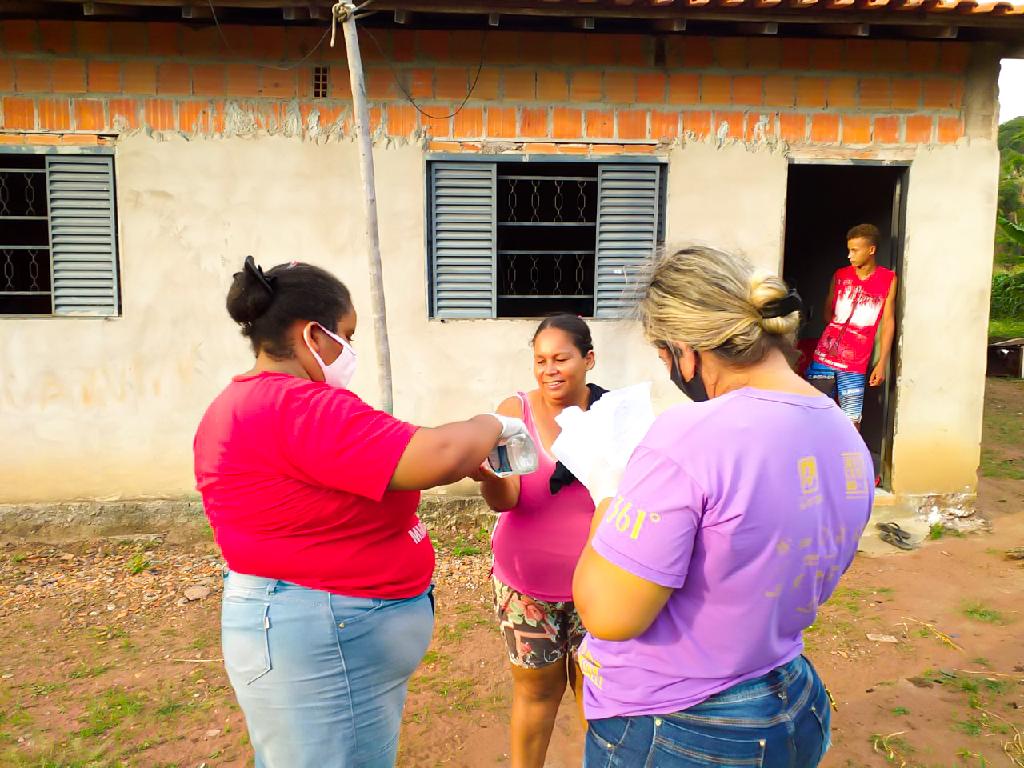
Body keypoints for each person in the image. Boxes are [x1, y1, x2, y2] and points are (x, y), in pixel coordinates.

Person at [193, 257, 529, 768]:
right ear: (312, 335)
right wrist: (496, 423)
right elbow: (436, 453)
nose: (349, 350)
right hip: (321, 635)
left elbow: (387, 461)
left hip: (315, 629)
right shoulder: (298, 406)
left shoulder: (256, 403)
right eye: (346, 335)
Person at [572, 247, 873, 767]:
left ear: (686, 350)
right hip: (789, 695)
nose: (668, 368)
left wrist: (607, 494)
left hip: (682, 722)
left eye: (663, 354)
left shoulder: (690, 437)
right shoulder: (844, 435)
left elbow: (608, 613)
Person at [474, 314, 604, 768]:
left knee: (598, 697)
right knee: (536, 692)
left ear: (588, 359)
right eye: (540, 360)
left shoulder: (610, 415)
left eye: (561, 358)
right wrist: (486, 475)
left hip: (600, 588)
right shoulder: (514, 412)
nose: (550, 369)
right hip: (524, 588)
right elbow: (505, 499)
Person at [805, 223, 897, 428]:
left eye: (854, 250)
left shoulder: (888, 279)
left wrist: (882, 362)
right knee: (813, 415)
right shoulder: (840, 276)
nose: (850, 255)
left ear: (871, 250)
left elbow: (888, 320)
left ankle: (848, 460)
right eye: (849, 250)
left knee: (852, 421)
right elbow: (827, 312)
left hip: (855, 364)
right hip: (824, 359)